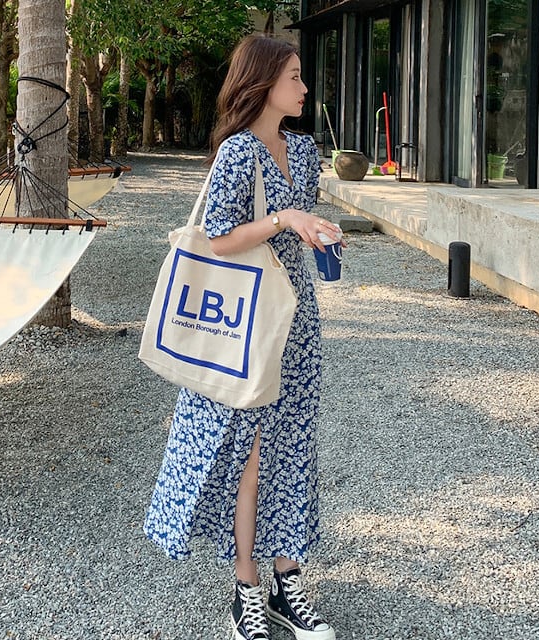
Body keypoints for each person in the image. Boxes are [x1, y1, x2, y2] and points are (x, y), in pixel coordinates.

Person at [144, 34, 342, 640]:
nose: (303, 87)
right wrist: (284, 218)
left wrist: (314, 231)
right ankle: (246, 587)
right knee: (249, 453)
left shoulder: (302, 150)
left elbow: (291, 227)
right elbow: (220, 238)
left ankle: (287, 580)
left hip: (294, 320)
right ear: (263, 82)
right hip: (245, 322)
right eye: (294, 76)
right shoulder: (237, 153)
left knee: (292, 448)